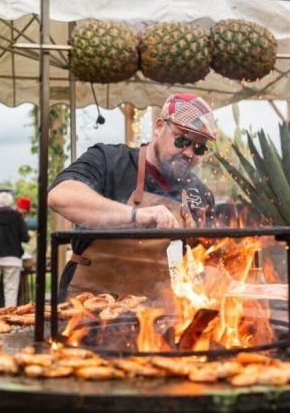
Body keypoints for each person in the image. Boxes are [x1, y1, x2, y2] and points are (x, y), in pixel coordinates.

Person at [48, 93, 217, 300]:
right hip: (87, 309)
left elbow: (207, 261)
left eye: (199, 147)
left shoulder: (198, 193)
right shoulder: (109, 160)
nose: (189, 153)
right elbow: (60, 196)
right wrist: (136, 215)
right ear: (159, 127)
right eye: (182, 140)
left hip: (153, 315)